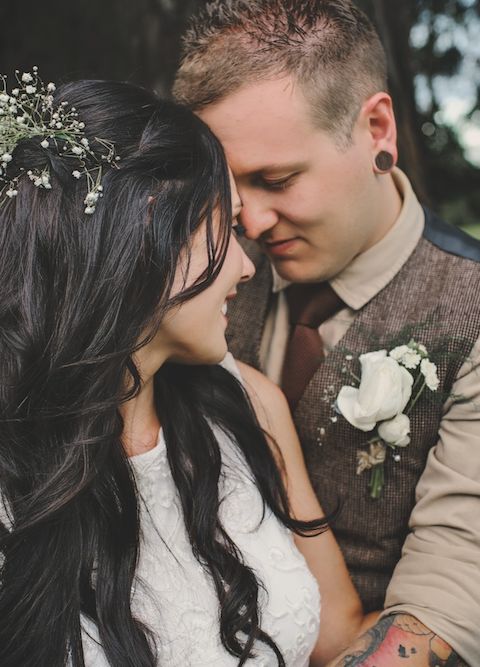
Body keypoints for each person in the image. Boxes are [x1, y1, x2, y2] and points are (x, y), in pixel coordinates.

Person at [173, 1, 480, 664]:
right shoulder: (195, 277)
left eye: (276, 179)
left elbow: (446, 603)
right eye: (226, 186)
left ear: (375, 127)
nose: (249, 220)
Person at [0, 77, 379, 666]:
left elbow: (337, 641)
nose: (247, 268)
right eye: (227, 228)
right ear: (151, 229)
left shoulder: (249, 404)